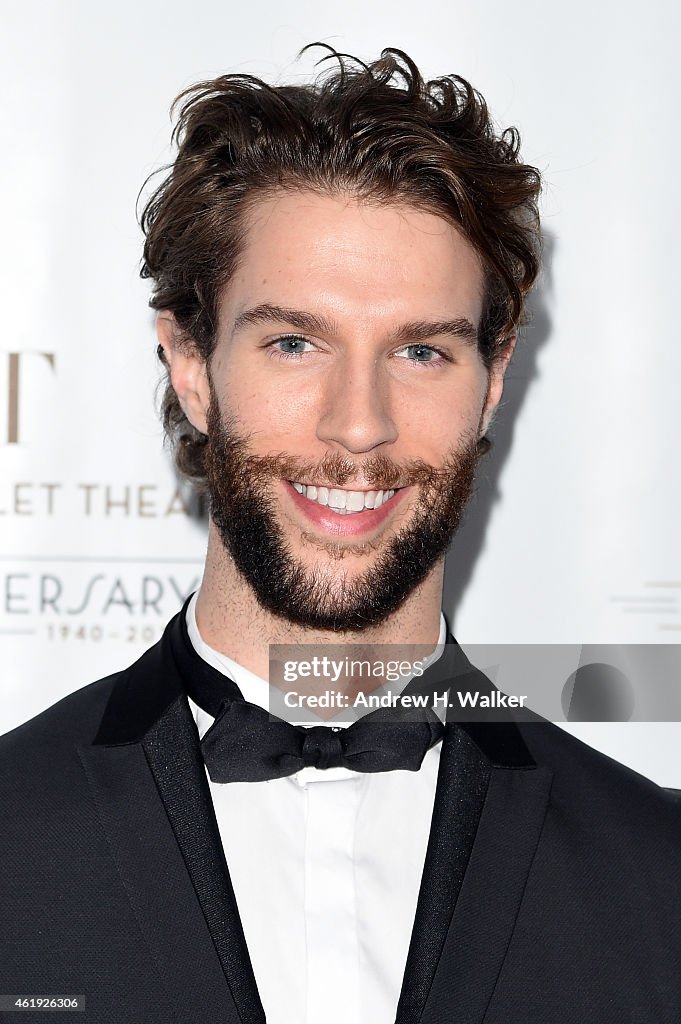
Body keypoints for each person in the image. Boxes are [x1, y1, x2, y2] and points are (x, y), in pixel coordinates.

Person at [1, 46, 680, 1024]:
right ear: (191, 364)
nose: (357, 423)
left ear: (491, 380)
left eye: (419, 349)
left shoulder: (656, 877)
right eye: (294, 342)